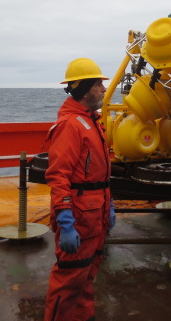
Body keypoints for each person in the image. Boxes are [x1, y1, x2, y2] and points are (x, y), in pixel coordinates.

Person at [44, 58, 116, 321]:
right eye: (99, 84)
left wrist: (110, 206)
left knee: (86, 276)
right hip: (79, 218)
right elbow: (58, 176)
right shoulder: (70, 126)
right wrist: (65, 222)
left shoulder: (91, 121)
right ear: (85, 89)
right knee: (69, 279)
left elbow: (98, 174)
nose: (103, 89)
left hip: (94, 215)